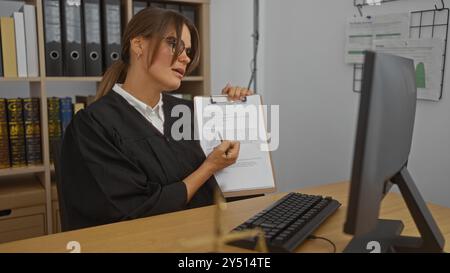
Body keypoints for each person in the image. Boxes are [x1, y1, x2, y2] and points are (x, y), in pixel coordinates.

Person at [60, 8, 253, 230]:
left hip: (207, 237)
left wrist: (235, 113)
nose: (186, 57)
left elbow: (233, 187)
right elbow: (135, 211)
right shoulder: (92, 126)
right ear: (138, 45)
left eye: (188, 51)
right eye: (174, 44)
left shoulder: (191, 113)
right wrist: (208, 167)